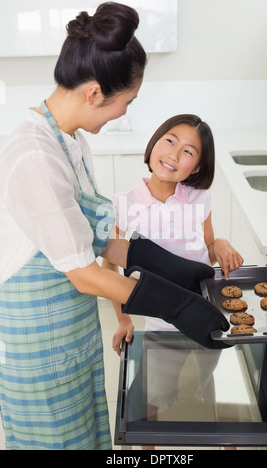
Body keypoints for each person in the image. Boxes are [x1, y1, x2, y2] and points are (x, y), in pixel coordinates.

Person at [0, 4, 230, 450]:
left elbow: (98, 237)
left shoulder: (69, 140)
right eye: (127, 101)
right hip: (41, 339)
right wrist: (178, 307)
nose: (123, 113)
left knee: (86, 433)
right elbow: (84, 272)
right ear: (93, 93)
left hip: (73, 326)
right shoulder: (34, 155)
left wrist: (178, 270)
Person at [103, 114, 243, 450]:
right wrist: (123, 318)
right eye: (169, 140)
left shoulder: (199, 199)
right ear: (154, 143)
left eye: (189, 151)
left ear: (195, 168)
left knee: (214, 387)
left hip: (207, 315)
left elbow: (205, 253)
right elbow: (108, 265)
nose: (174, 154)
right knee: (154, 399)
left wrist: (219, 243)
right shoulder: (124, 204)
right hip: (161, 324)